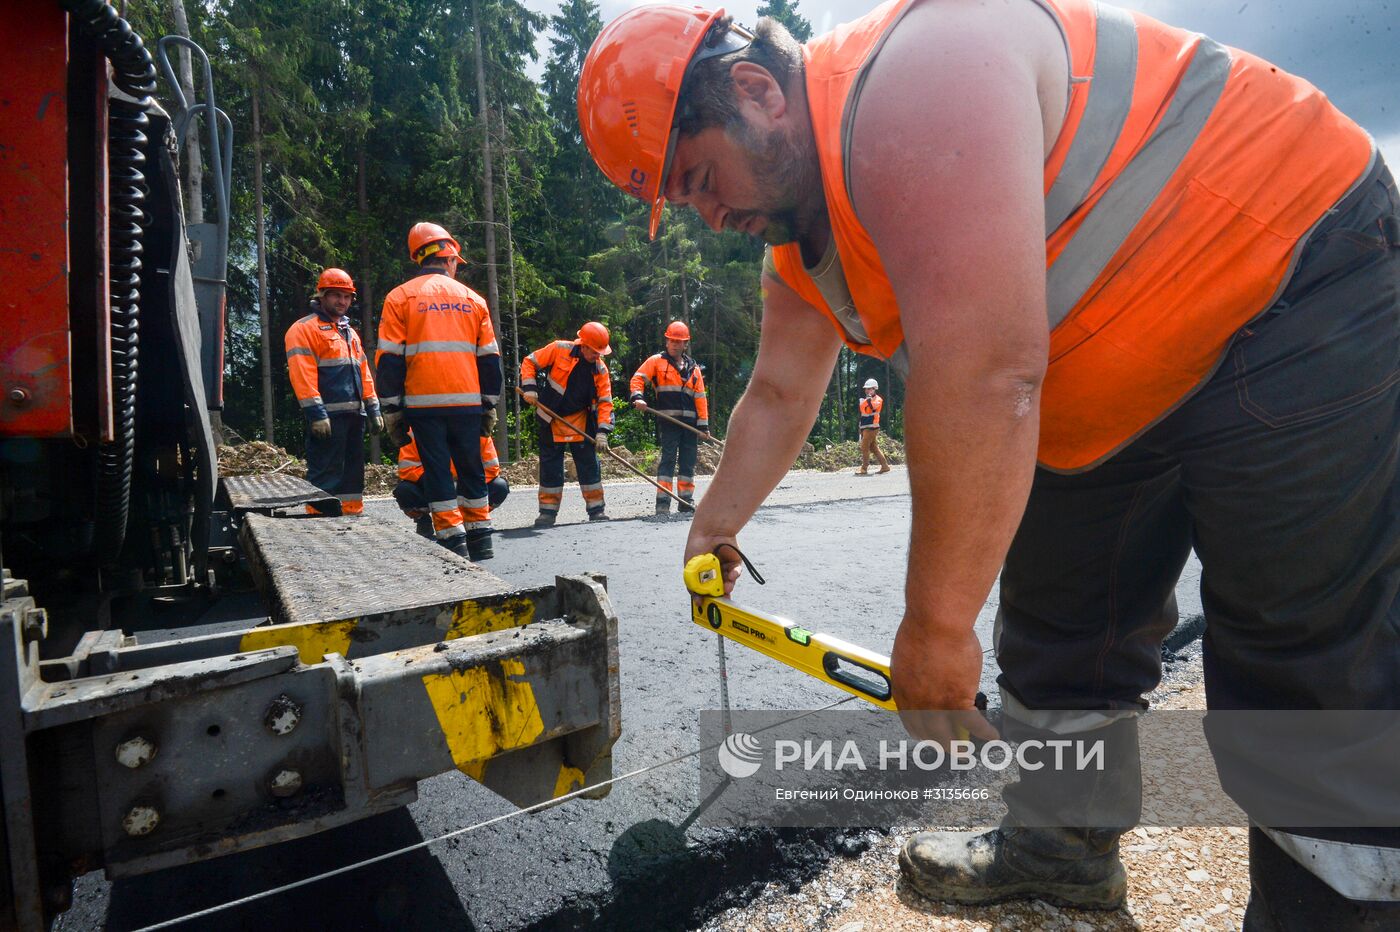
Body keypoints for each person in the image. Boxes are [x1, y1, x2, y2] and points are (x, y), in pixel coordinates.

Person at [579, 1, 1400, 923]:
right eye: (682, 201)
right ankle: (1060, 854)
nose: (706, 213)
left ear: (757, 92)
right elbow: (776, 394)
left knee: (1304, 653)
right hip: (1099, 370)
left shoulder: (916, 78)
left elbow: (984, 372)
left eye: (698, 178)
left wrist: (935, 629)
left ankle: (1335, 912)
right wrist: (717, 521)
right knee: (1063, 629)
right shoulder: (800, 249)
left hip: (1287, 275)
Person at [376, 222, 502, 561]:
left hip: (423, 405)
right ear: (449, 258)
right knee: (471, 467)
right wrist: (489, 404)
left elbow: (389, 361)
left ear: (419, 257)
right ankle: (481, 539)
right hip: (467, 402)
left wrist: (392, 411)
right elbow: (490, 360)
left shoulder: (400, 297)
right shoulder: (473, 299)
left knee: (437, 471)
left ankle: (452, 541)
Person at [284, 268, 382, 515]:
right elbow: (302, 374)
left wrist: (373, 408)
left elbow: (363, 372)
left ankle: (351, 513)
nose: (343, 301)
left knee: (352, 471)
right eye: (336, 295)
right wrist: (316, 414)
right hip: (327, 417)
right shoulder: (303, 329)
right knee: (325, 470)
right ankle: (320, 518)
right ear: (322, 295)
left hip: (354, 416)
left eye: (347, 296)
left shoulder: (349, 331)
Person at [521, 323, 616, 527]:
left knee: (589, 465)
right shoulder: (558, 349)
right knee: (550, 467)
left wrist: (602, 432)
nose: (597, 356)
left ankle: (596, 509)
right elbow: (529, 362)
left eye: (601, 352)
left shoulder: (600, 368)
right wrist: (529, 387)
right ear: (584, 345)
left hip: (581, 421)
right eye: (595, 351)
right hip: (551, 417)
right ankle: (547, 513)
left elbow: (605, 401)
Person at [630, 320, 710, 513]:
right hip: (669, 422)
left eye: (679, 341)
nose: (674, 344)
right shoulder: (656, 361)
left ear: (685, 344)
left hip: (690, 424)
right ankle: (663, 503)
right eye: (671, 341)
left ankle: (685, 501)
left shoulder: (694, 369)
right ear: (667, 342)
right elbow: (638, 379)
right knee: (668, 460)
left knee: (688, 462)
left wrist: (703, 426)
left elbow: (700, 399)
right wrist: (638, 397)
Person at [394, 431, 509, 539]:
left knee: (499, 487)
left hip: (467, 486)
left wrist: (465, 485)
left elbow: (491, 468)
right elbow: (408, 469)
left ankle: (472, 520)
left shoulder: (477, 427)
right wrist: (441, 484)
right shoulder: (416, 430)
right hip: (433, 485)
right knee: (404, 491)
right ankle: (422, 519)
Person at [855, 378, 890, 476]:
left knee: (864, 447)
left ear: (875, 389)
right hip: (865, 427)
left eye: (869, 389)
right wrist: (860, 428)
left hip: (872, 427)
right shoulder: (866, 400)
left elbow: (873, 407)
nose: (867, 390)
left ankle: (864, 468)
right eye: (866, 389)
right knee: (874, 448)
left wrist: (869, 400)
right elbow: (863, 414)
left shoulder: (878, 399)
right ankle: (885, 466)